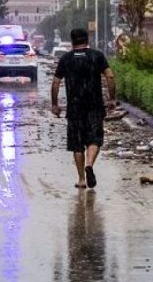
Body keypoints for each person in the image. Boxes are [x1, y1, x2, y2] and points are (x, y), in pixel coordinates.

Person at [51, 27, 116, 189]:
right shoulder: (97, 56)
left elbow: (55, 83)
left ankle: (81, 179)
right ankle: (89, 164)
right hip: (95, 107)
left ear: (72, 41)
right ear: (87, 40)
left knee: (77, 144)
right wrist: (112, 98)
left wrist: (55, 104)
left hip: (74, 108)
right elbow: (110, 76)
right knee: (94, 139)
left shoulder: (66, 59)